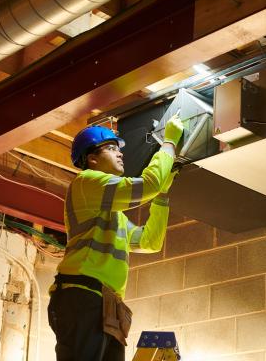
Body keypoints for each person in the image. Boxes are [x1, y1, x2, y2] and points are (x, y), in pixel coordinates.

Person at [47, 114, 184, 361]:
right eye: (111, 148)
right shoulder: (86, 182)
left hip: (105, 304)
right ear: (92, 159)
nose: (121, 153)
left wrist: (162, 196)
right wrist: (169, 143)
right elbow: (148, 184)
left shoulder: (114, 216)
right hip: (82, 296)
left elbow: (148, 242)